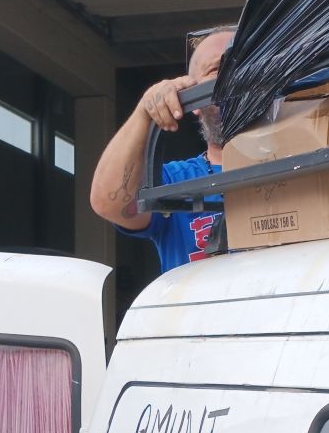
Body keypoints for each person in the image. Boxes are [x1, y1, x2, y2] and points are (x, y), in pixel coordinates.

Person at [88, 26, 235, 269]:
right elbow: (108, 203)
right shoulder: (176, 179)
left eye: (239, 65)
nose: (230, 78)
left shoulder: (297, 159)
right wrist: (145, 112)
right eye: (217, 69)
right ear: (193, 100)